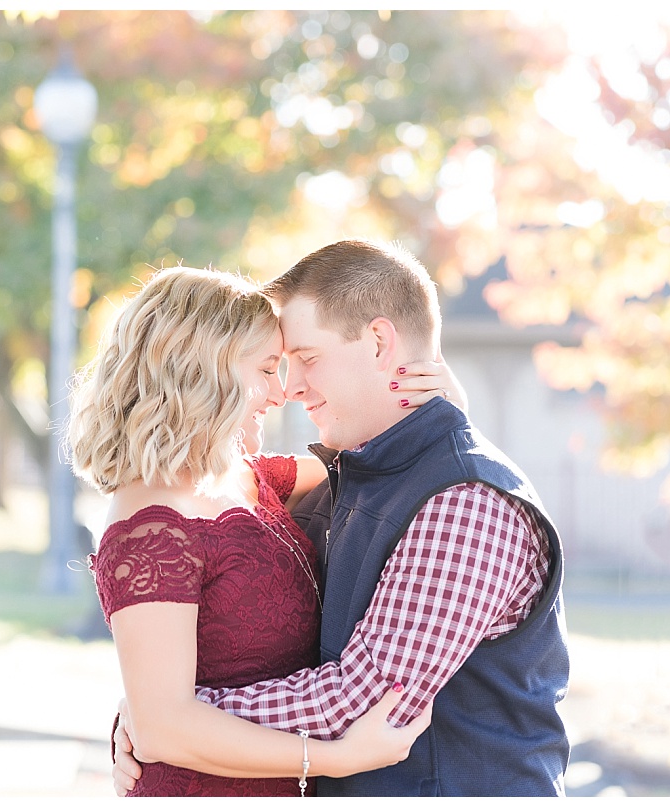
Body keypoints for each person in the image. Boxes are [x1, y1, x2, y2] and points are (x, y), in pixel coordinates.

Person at [113, 239, 570, 797]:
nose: (290, 388)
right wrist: (159, 710)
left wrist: (163, 719)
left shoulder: (466, 503)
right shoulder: (344, 479)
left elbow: (360, 697)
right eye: (276, 366)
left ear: (379, 342)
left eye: (305, 358)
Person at [66, 265, 447, 797]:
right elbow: (162, 726)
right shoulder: (149, 529)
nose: (282, 392)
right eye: (268, 369)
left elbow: (378, 461)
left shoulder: (247, 477)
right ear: (203, 370)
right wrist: (333, 759)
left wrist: (442, 403)